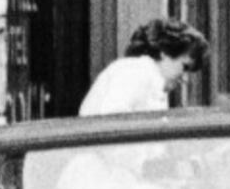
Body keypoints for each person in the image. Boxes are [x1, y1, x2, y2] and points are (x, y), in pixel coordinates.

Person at [76, 17, 209, 115]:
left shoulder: (154, 83)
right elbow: (112, 124)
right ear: (165, 53)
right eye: (184, 67)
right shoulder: (136, 72)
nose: (184, 79)